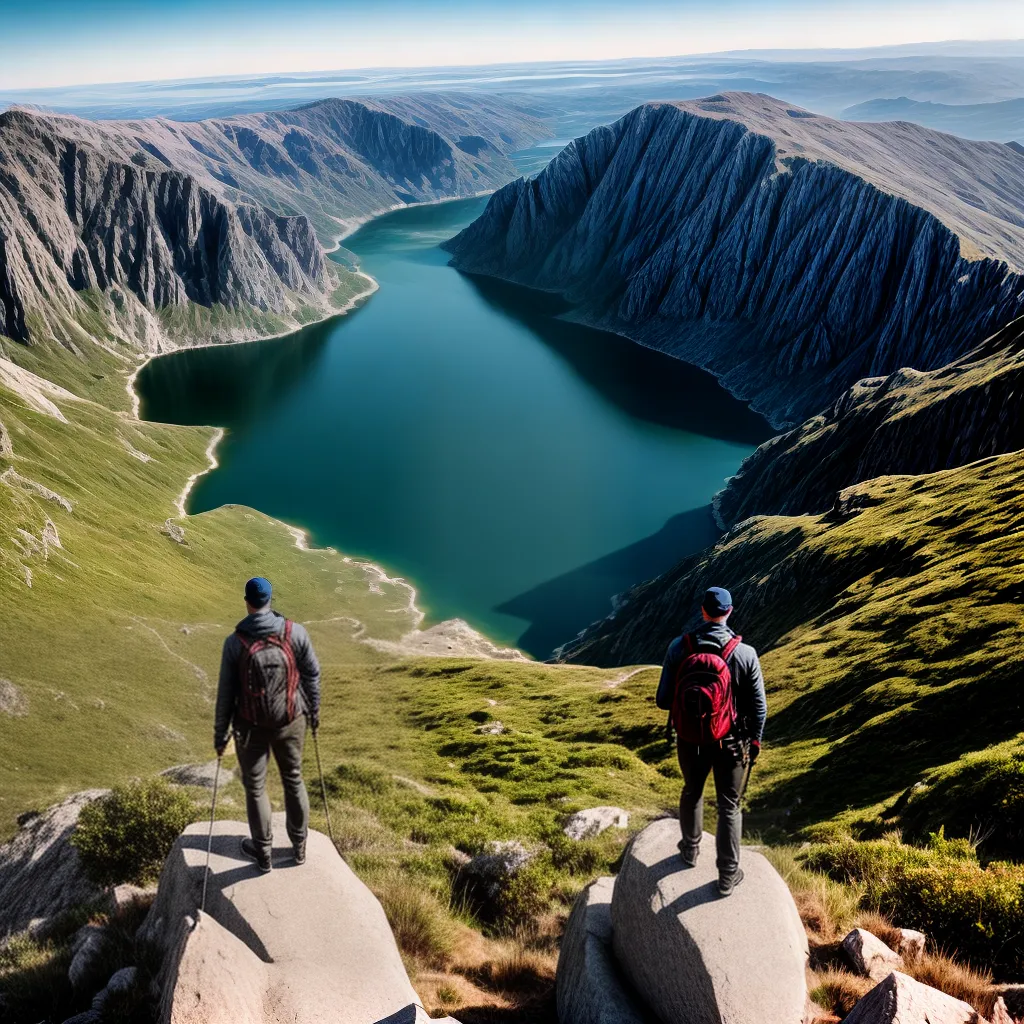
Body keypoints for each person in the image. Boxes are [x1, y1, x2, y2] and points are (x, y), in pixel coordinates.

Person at [656, 586, 766, 896]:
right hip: (730, 743)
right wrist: (754, 742)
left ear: (703, 611)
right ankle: (727, 877)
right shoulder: (745, 654)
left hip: (690, 739)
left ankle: (690, 851)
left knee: (692, 791)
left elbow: (663, 700)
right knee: (729, 806)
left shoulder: (679, 647)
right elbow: (759, 708)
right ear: (729, 611)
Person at [214, 576, 321, 873]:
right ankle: (299, 848)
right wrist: (313, 711)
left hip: (250, 726)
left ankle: (263, 853)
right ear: (270, 600)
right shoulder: (294, 633)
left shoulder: (235, 643)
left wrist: (220, 734)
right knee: (294, 779)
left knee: (256, 788)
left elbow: (226, 694)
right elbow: (312, 674)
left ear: (247, 602)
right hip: (291, 720)